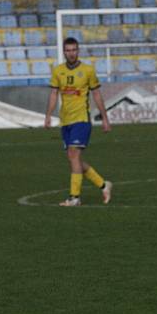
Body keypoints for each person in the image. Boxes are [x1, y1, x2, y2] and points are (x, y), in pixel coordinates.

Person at [44, 37, 112, 207]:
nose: (71, 53)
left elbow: (96, 94)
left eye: (74, 50)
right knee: (74, 159)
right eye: (68, 50)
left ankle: (75, 197)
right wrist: (48, 115)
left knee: (74, 155)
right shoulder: (58, 71)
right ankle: (103, 185)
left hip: (81, 119)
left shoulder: (88, 70)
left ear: (78, 50)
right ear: (64, 52)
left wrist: (105, 118)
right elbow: (53, 94)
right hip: (65, 121)